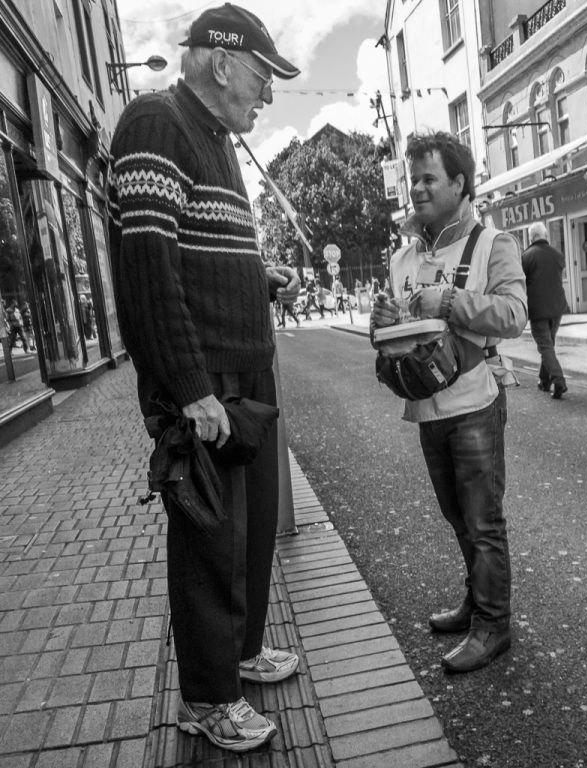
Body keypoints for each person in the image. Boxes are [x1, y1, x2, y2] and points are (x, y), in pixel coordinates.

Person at [108, 4, 303, 753]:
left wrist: (261, 281)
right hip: (207, 378)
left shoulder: (216, 138)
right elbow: (150, 272)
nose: (268, 94)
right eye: (263, 76)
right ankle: (206, 699)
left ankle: (242, 654)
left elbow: (201, 253)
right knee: (209, 542)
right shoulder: (156, 124)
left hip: (243, 367)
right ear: (222, 61)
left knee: (248, 535)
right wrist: (190, 386)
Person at [371, 131, 527, 673]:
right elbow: (390, 330)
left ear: (459, 184)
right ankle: (475, 601)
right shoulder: (403, 256)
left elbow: (513, 314)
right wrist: (384, 323)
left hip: (475, 404)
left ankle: (493, 625)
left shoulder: (492, 243)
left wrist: (451, 300)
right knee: (457, 518)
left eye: (428, 178)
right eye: (413, 179)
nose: (416, 189)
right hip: (426, 408)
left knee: (483, 522)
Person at [522, 222, 569, 399]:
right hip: (557, 308)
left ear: (530, 237)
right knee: (548, 345)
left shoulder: (526, 257)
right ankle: (544, 381)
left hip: (538, 310)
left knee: (545, 347)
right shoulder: (557, 255)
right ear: (546, 235)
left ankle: (559, 381)